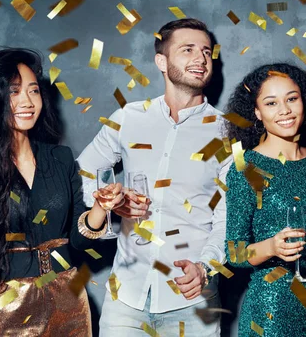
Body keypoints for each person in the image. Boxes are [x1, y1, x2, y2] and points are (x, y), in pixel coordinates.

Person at [77, 18, 231, 336]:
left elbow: (228, 219)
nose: (201, 58)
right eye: (187, 49)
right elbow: (82, 171)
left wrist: (205, 267)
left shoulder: (227, 132)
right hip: (125, 301)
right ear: (161, 60)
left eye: (206, 51)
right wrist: (108, 205)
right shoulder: (129, 118)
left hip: (193, 303)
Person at [0, 49, 116, 336]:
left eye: (34, 91)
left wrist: (101, 207)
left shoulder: (60, 157)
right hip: (12, 301)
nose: (27, 102)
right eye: (14, 92)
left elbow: (77, 240)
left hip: (69, 296)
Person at [224, 63, 306, 336]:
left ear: (304, 102)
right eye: (271, 103)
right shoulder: (245, 167)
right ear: (257, 112)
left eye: (292, 99)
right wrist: (271, 247)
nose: (284, 110)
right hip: (269, 316)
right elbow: (234, 253)